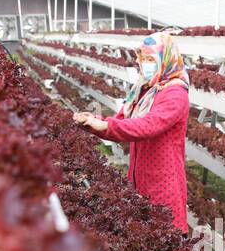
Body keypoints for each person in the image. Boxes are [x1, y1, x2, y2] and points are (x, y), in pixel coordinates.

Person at [73, 31, 190, 234]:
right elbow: (122, 124)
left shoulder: (175, 94)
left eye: (150, 59)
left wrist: (105, 125)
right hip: (139, 178)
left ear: (167, 59)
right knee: (144, 238)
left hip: (164, 183)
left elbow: (148, 125)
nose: (144, 63)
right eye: (142, 58)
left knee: (166, 238)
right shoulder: (143, 90)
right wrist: (92, 123)